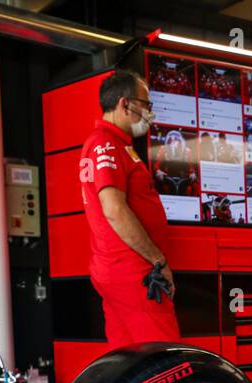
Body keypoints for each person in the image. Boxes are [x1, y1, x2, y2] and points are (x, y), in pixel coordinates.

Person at [80, 69, 179, 347]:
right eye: (146, 105)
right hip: (135, 274)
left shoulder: (114, 145)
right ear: (125, 104)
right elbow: (114, 209)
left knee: (130, 363)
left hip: (120, 272)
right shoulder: (106, 144)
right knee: (165, 360)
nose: (149, 113)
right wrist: (157, 260)